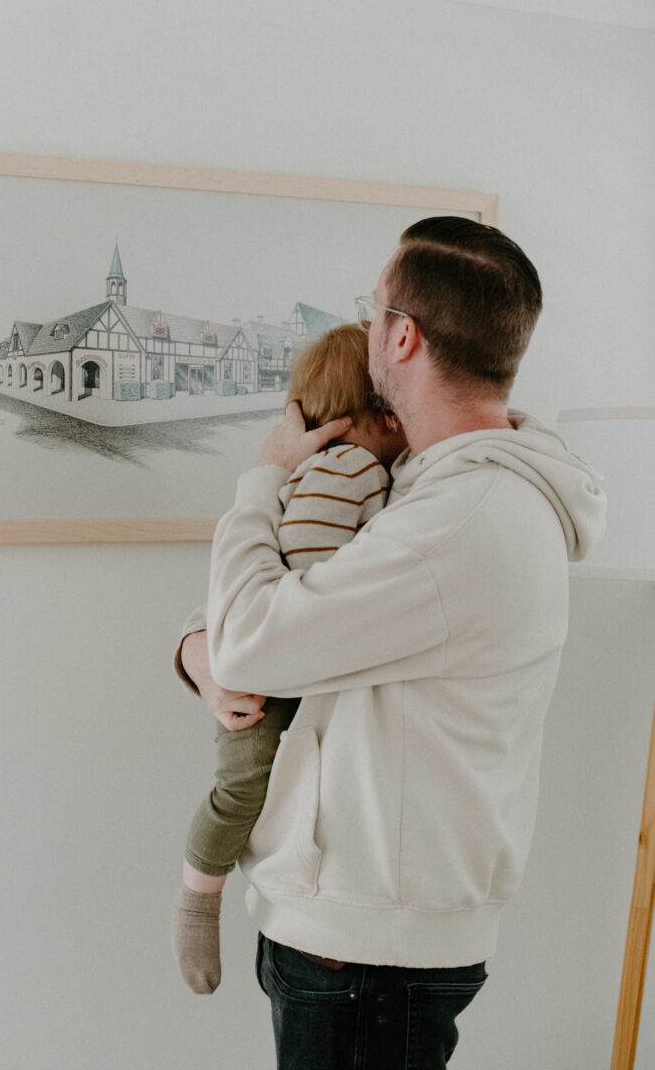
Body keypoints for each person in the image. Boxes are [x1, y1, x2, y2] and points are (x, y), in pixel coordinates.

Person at [176, 217, 605, 1069]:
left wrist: (263, 474)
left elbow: (260, 636)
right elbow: (290, 619)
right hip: (354, 934)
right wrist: (198, 650)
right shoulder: (422, 488)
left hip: (367, 950)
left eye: (374, 311)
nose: (368, 327)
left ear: (400, 336)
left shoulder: (457, 520)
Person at [172, 325, 407, 994]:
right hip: (263, 681)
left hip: (264, 668)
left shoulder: (322, 470)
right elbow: (295, 565)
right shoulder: (352, 469)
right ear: (372, 414)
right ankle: (195, 900)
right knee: (240, 788)